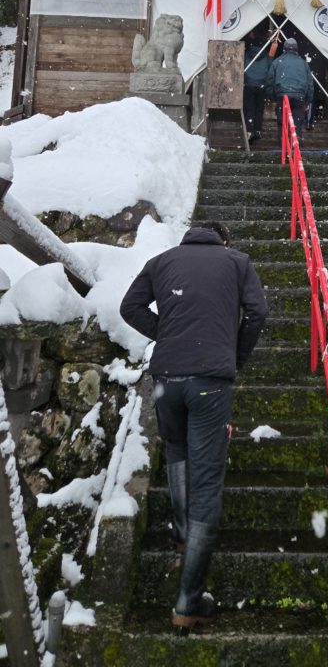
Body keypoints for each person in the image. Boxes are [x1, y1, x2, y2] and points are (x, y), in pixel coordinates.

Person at [119, 220, 267, 630]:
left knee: (176, 449)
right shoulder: (237, 262)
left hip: (166, 379)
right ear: (225, 240)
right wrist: (235, 354)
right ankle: (188, 600)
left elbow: (130, 308)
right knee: (206, 484)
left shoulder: (162, 261)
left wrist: (168, 333)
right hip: (209, 383)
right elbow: (258, 311)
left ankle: (183, 533)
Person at [265, 37, 314, 144]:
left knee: (282, 122)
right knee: (297, 123)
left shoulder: (277, 62)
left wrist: (273, 98)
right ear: (296, 49)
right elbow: (310, 84)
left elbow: (269, 82)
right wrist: (307, 101)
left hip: (282, 96)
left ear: (284, 49)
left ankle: (283, 144)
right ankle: (295, 144)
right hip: (299, 96)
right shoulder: (303, 63)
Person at [243, 30, 278, 142]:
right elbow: (271, 68)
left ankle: (249, 131)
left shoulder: (246, 55)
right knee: (259, 109)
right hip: (261, 86)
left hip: (249, 85)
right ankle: (257, 130)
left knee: (249, 109)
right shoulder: (266, 56)